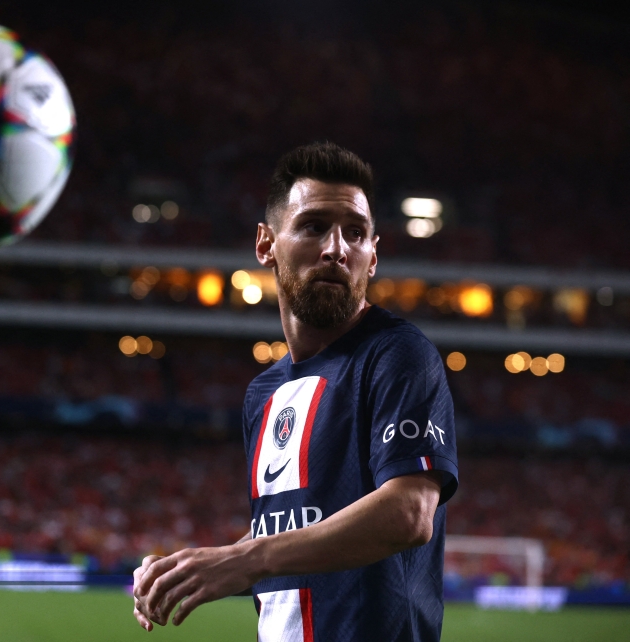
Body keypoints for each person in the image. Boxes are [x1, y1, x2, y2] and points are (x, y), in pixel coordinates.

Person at [132, 142, 459, 641]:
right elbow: (286, 532)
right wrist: (192, 569)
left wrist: (246, 558)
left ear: (373, 257)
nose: (337, 249)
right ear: (266, 244)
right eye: (313, 227)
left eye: (356, 233)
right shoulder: (262, 392)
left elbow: (409, 513)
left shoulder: (398, 354)